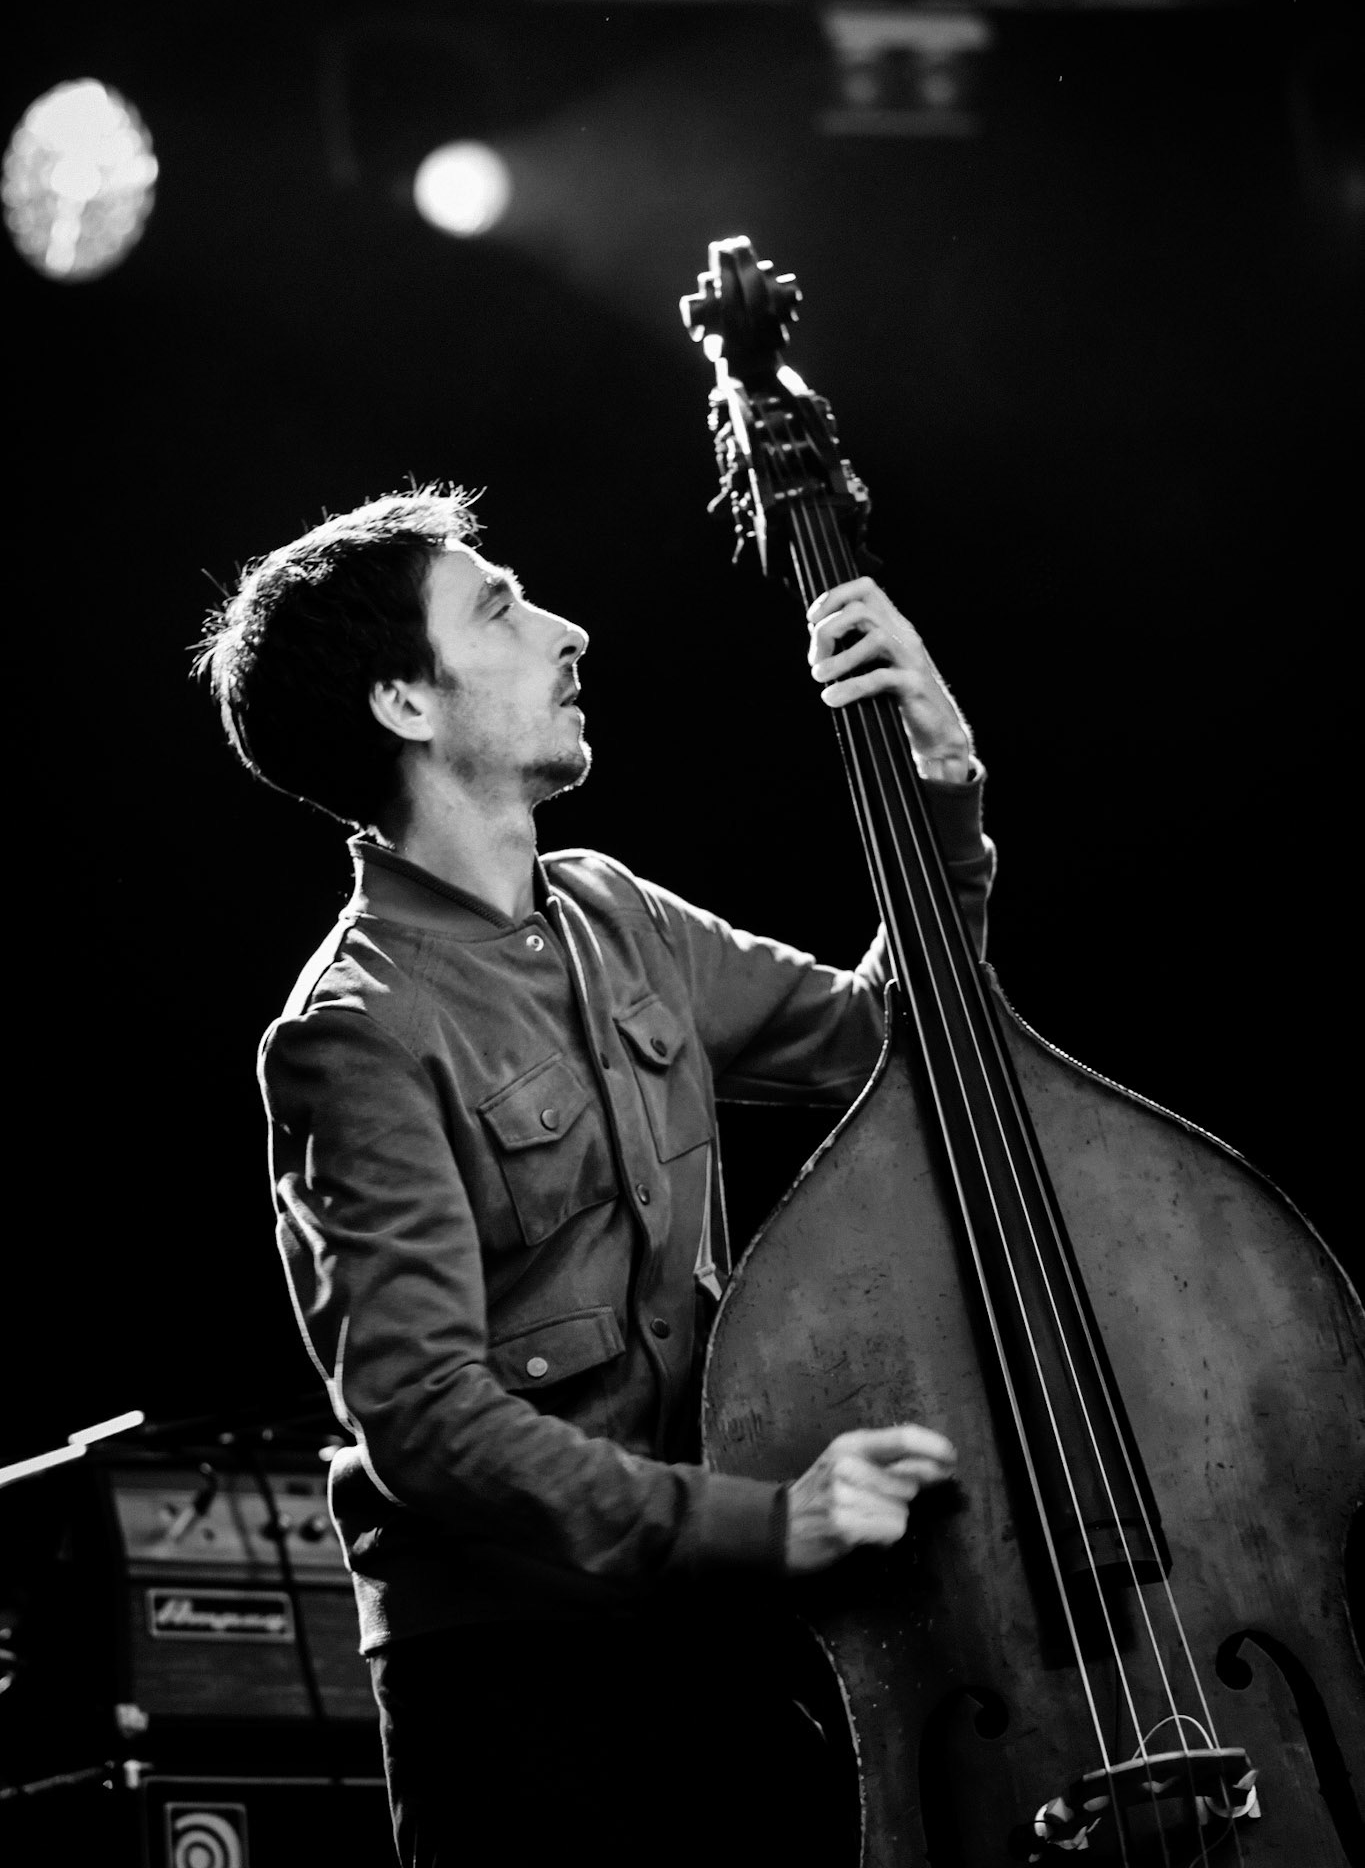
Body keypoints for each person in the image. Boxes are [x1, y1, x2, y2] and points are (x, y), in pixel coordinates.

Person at [198, 484, 995, 1867]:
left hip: (725, 1642)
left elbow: (897, 1043)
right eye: (500, 608)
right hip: (522, 1689)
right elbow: (427, 1421)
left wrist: (941, 788)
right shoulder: (352, 1036)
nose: (566, 631)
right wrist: (771, 1521)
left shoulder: (619, 914)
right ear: (405, 703)